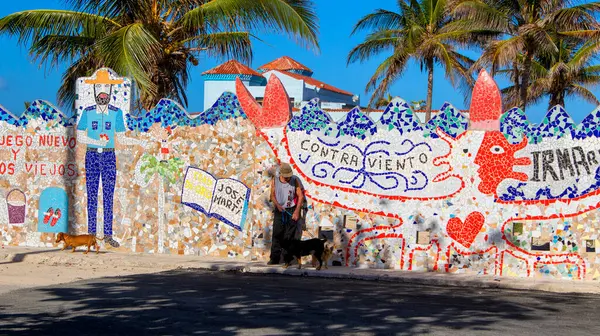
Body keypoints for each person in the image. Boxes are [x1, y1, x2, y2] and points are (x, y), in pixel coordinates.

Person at [76, 70, 146, 248]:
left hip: (108, 155)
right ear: (93, 90)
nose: (102, 92)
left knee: (108, 195)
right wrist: (95, 140)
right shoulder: (87, 112)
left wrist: (138, 141)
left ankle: (107, 234)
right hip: (91, 154)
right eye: (98, 87)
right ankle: (91, 234)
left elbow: (121, 137)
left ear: (111, 90)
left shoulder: (116, 113)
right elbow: (80, 136)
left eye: (106, 87)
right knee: (92, 194)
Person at [268, 163, 304, 265]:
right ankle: (274, 258)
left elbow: (300, 196)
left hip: (291, 210)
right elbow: (272, 195)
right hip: (280, 210)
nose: (288, 178)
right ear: (281, 174)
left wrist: (297, 211)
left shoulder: (295, 180)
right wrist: (278, 205)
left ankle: (286, 259)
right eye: (286, 176)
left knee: (289, 236)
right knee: (277, 234)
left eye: (289, 176)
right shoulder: (275, 180)